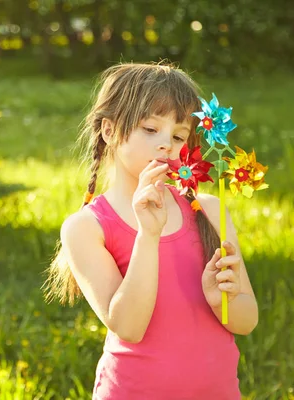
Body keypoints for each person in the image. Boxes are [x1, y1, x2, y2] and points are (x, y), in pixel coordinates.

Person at [42, 61, 259, 399]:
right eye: (150, 129)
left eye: (177, 136)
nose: (166, 145)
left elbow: (246, 321)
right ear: (109, 131)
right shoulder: (86, 227)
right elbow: (128, 326)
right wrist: (148, 235)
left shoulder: (208, 210)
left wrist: (222, 302)